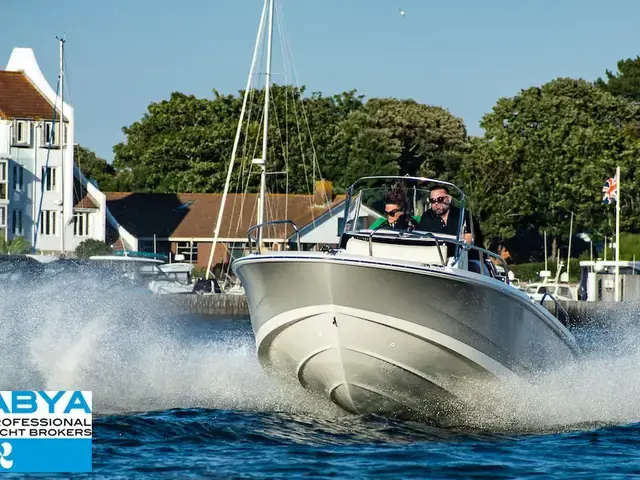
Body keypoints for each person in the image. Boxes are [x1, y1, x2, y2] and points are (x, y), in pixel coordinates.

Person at [417, 186, 485, 261]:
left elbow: (468, 242)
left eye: (440, 199)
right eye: (432, 201)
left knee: (474, 267)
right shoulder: (427, 217)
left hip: (468, 258)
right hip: (436, 259)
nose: (436, 203)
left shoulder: (463, 215)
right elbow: (422, 239)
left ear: (449, 199)